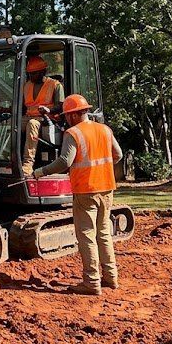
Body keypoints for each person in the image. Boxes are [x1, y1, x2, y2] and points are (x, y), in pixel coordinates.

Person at [32, 94, 122, 296]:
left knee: (87, 236)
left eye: (66, 116)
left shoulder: (73, 133)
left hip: (85, 191)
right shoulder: (105, 130)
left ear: (72, 115)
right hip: (107, 188)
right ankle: (111, 277)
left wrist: (40, 172)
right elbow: (118, 155)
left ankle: (91, 282)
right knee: (104, 234)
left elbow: (64, 161)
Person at [21, 55, 64, 178]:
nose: (31, 76)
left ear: (43, 71)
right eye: (29, 74)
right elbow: (23, 107)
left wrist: (48, 109)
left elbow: (61, 106)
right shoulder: (26, 85)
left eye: (34, 73)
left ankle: (28, 164)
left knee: (32, 124)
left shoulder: (55, 85)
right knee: (9, 123)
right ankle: (5, 156)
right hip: (28, 116)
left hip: (47, 119)